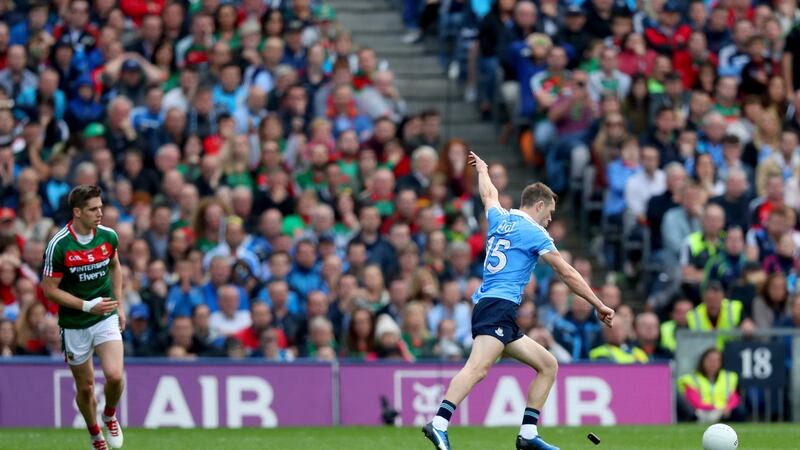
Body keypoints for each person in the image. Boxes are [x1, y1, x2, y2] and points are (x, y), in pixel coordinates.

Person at [422, 152, 614, 450]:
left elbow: (488, 194)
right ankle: (439, 423)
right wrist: (598, 303)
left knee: (548, 365)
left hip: (496, 309)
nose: (549, 220)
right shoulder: (535, 232)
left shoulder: (501, 217)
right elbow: (567, 272)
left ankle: (527, 435)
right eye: (549, 213)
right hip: (497, 306)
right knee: (478, 368)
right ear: (539, 205)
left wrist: (482, 170)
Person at [42, 185, 125, 450]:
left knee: (114, 376)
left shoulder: (108, 237)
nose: (99, 213)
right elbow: (49, 290)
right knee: (86, 388)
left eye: (100, 207)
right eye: (93, 209)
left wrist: (118, 305)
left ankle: (109, 415)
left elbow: (115, 266)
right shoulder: (59, 245)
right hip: (75, 323)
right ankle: (94, 434)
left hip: (105, 315)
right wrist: (87, 306)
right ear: (77, 212)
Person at [677, 347, 746, 422]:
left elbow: (734, 397)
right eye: (710, 360)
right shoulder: (691, 379)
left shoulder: (728, 377)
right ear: (703, 361)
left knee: (740, 411)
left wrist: (727, 408)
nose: (713, 363)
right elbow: (694, 401)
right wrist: (716, 408)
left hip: (724, 413)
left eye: (717, 360)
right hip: (702, 413)